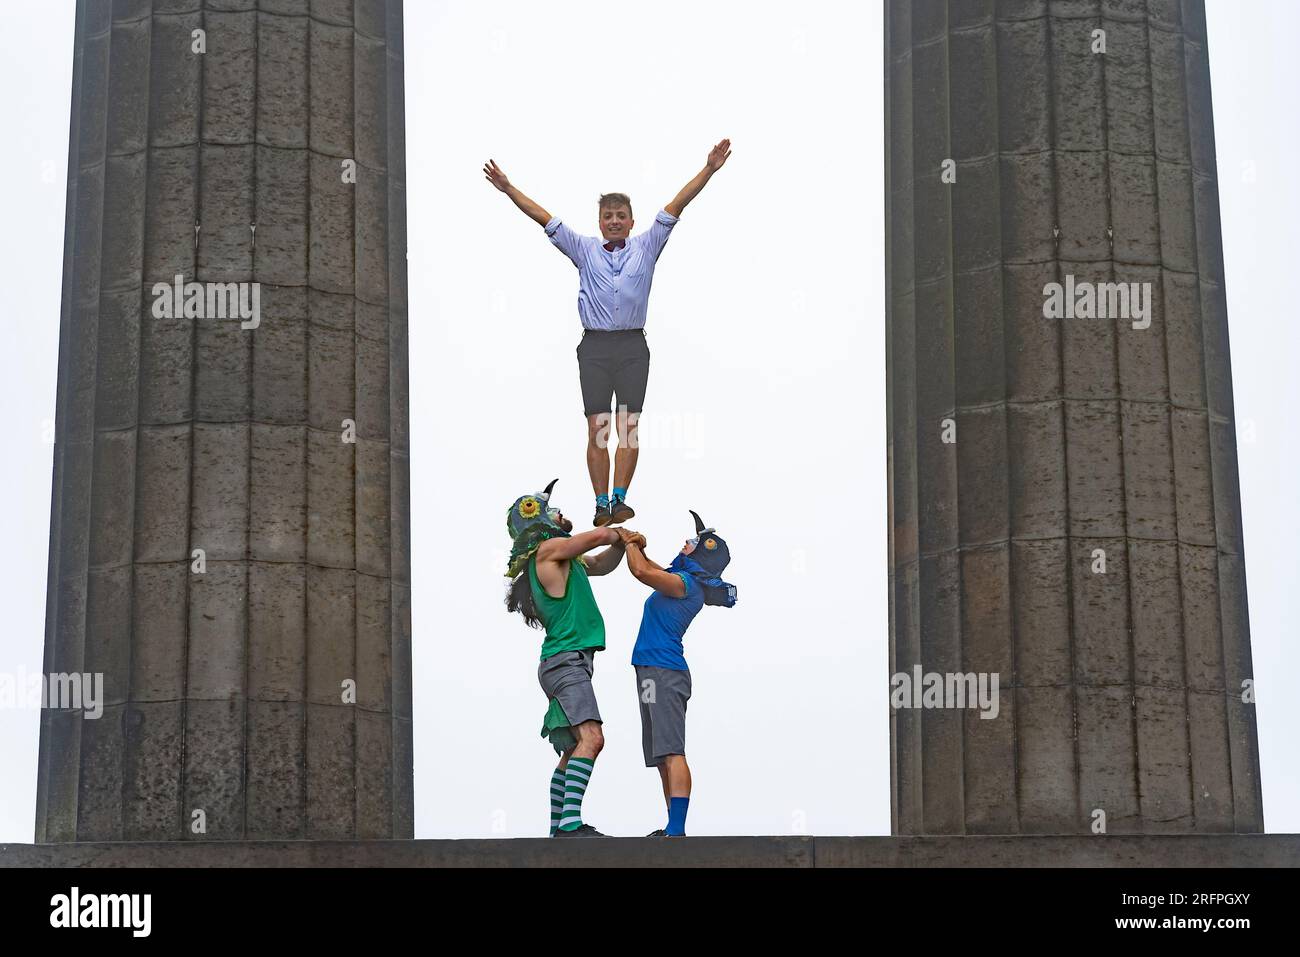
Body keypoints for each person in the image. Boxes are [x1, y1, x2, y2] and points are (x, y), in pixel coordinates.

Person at [482, 141, 733, 527]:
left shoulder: (647, 246)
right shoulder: (584, 249)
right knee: (598, 428)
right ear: (600, 222)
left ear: (631, 222)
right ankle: (600, 503)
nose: (614, 221)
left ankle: (620, 499)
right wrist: (509, 188)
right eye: (608, 216)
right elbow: (544, 218)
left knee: (628, 427)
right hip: (595, 346)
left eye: (621, 216)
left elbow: (676, 205)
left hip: (632, 345)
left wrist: (709, 169)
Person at [504, 479, 628, 837]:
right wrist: (619, 531)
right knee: (592, 739)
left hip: (565, 662)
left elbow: (602, 563)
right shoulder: (548, 550)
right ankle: (570, 825)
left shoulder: (564, 558)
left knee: (573, 747)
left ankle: (558, 829)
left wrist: (622, 545)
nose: (562, 513)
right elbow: (597, 539)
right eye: (554, 511)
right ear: (541, 519)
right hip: (566, 661)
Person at [618, 511, 737, 837]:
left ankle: (678, 829)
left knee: (672, 750)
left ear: (697, 554)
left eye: (690, 542)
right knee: (661, 753)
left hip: (664, 672)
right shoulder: (681, 579)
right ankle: (673, 824)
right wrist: (637, 545)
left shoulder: (686, 584)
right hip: (649, 671)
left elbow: (641, 572)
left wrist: (629, 542)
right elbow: (650, 565)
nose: (684, 543)